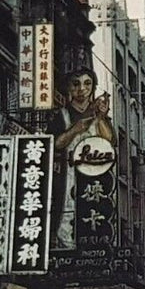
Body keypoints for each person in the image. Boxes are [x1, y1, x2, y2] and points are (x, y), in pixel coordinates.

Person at [49, 66, 114, 250]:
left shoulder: (98, 116)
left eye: (87, 84)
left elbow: (109, 140)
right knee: (66, 216)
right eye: (76, 84)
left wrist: (101, 118)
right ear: (69, 88)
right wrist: (75, 130)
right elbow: (55, 143)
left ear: (93, 88)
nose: (81, 89)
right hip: (68, 176)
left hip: (95, 175)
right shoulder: (61, 115)